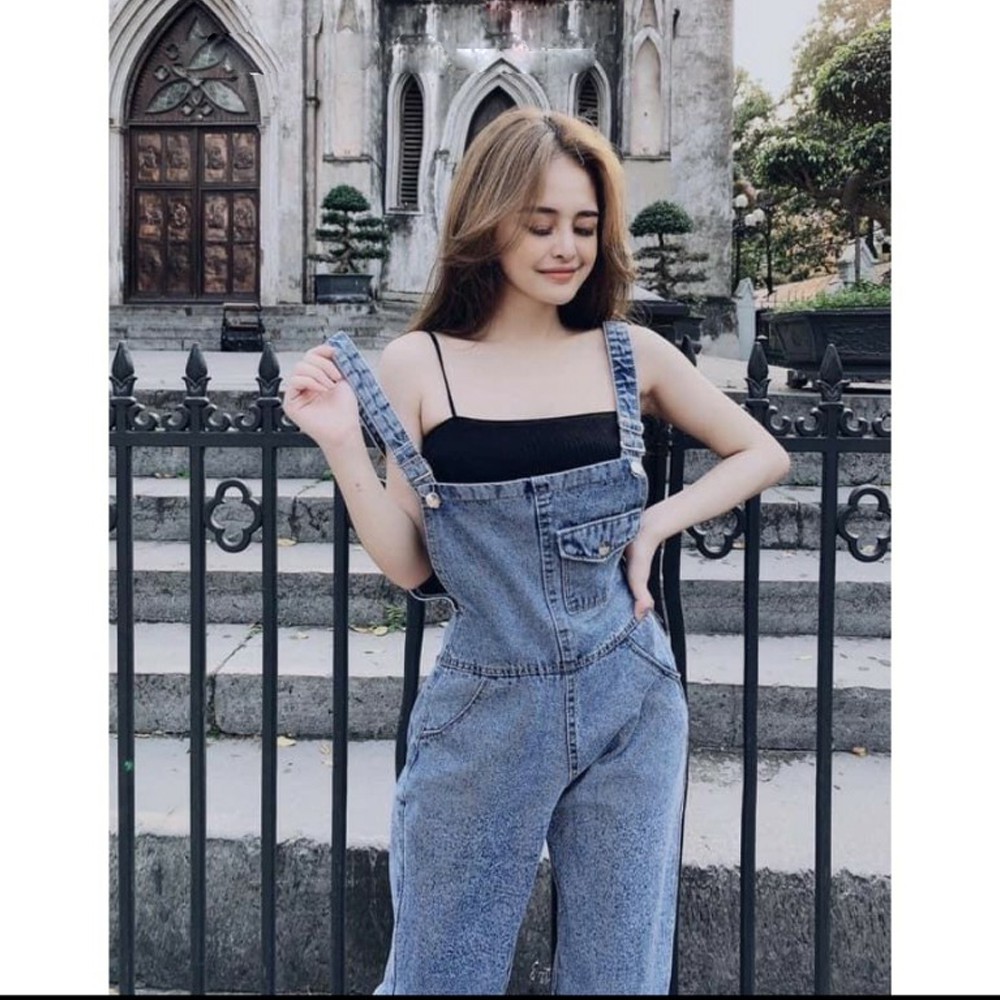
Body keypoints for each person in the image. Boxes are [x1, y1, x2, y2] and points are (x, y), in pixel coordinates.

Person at [284, 107, 790, 995]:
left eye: (585, 226)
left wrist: (655, 523)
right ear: (489, 222)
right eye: (541, 222)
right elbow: (411, 565)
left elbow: (761, 451)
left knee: (618, 977)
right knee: (440, 974)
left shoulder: (630, 353)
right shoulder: (419, 363)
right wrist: (339, 444)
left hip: (630, 694)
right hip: (486, 706)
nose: (567, 247)